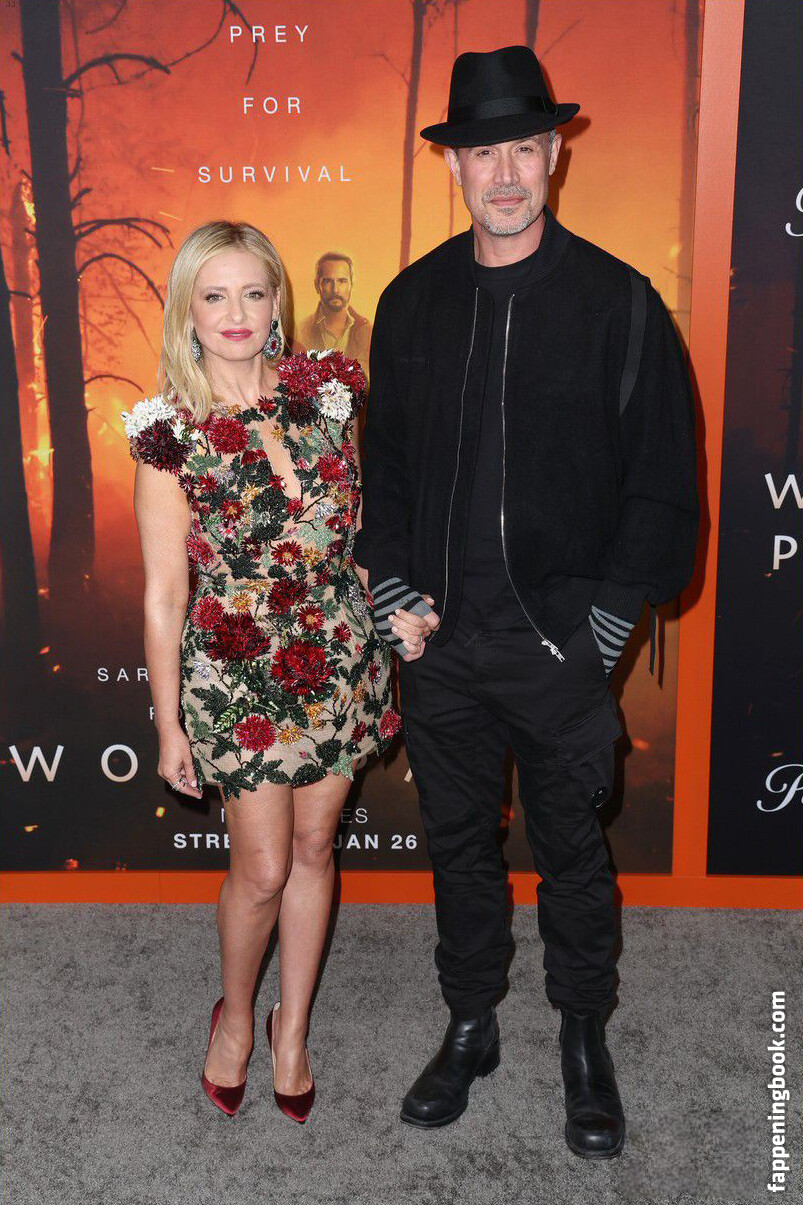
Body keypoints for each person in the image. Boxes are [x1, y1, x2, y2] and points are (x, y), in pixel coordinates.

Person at [354, 46, 698, 1156]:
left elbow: (662, 479)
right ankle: (471, 1023)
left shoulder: (618, 302)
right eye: (480, 153)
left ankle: (583, 1037)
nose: (501, 173)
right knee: (457, 846)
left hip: (558, 648)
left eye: (521, 148)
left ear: (553, 154)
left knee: (572, 856)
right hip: (440, 645)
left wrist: (604, 623)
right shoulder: (411, 303)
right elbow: (384, 471)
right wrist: (393, 587)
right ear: (453, 165)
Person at [122, 220, 399, 1121]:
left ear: (278, 301)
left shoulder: (327, 396)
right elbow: (165, 593)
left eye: (252, 291)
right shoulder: (169, 433)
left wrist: (394, 612)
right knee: (265, 867)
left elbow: (358, 536)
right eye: (214, 295)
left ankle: (292, 1028)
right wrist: (169, 723)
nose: (235, 312)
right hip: (237, 675)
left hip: (338, 657)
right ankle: (236, 1017)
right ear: (188, 311)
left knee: (316, 848)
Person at [296, 252, 372, 380]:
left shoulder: (367, 332)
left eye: (342, 281)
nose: (335, 290)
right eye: (328, 281)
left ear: (351, 285)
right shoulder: (301, 331)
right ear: (317, 285)